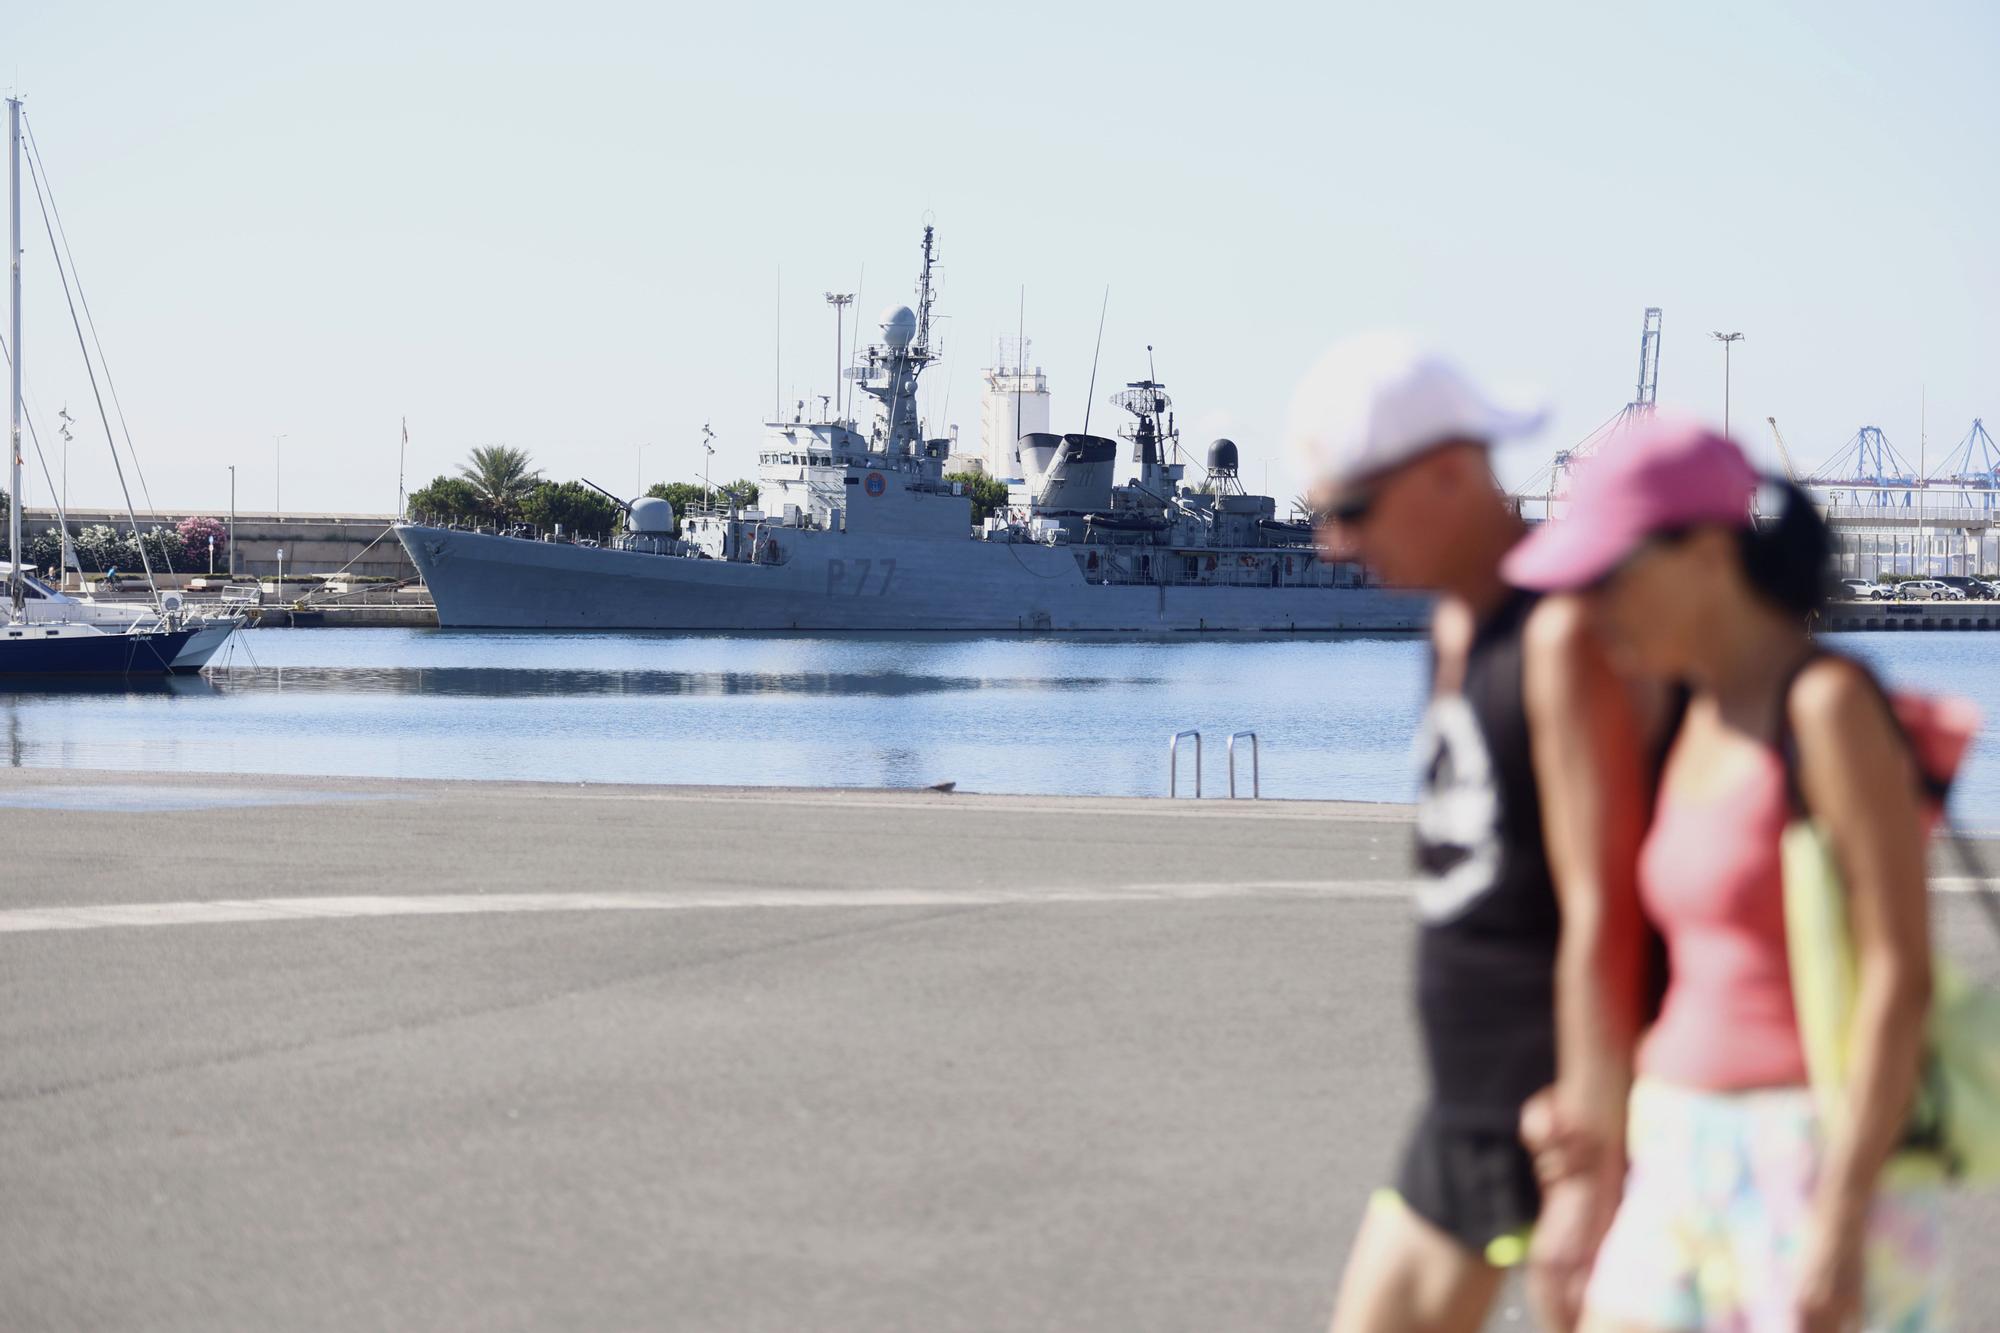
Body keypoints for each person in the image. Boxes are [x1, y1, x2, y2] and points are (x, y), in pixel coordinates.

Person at [1504, 418, 1944, 1331]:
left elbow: (1900, 976)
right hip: (1670, 1144)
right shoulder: (1687, 714)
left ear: (1707, 553)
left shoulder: (1825, 708)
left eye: (1607, 575)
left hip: (1802, 1159)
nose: (1589, 607)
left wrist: (1842, 1210)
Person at [1288, 335, 1651, 1333]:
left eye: (1351, 508)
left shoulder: (1560, 636)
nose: (1332, 543)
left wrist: (1590, 1149)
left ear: (1450, 473)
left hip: (1557, 1117)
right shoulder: (1453, 626)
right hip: (1460, 1113)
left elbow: (1602, 907)